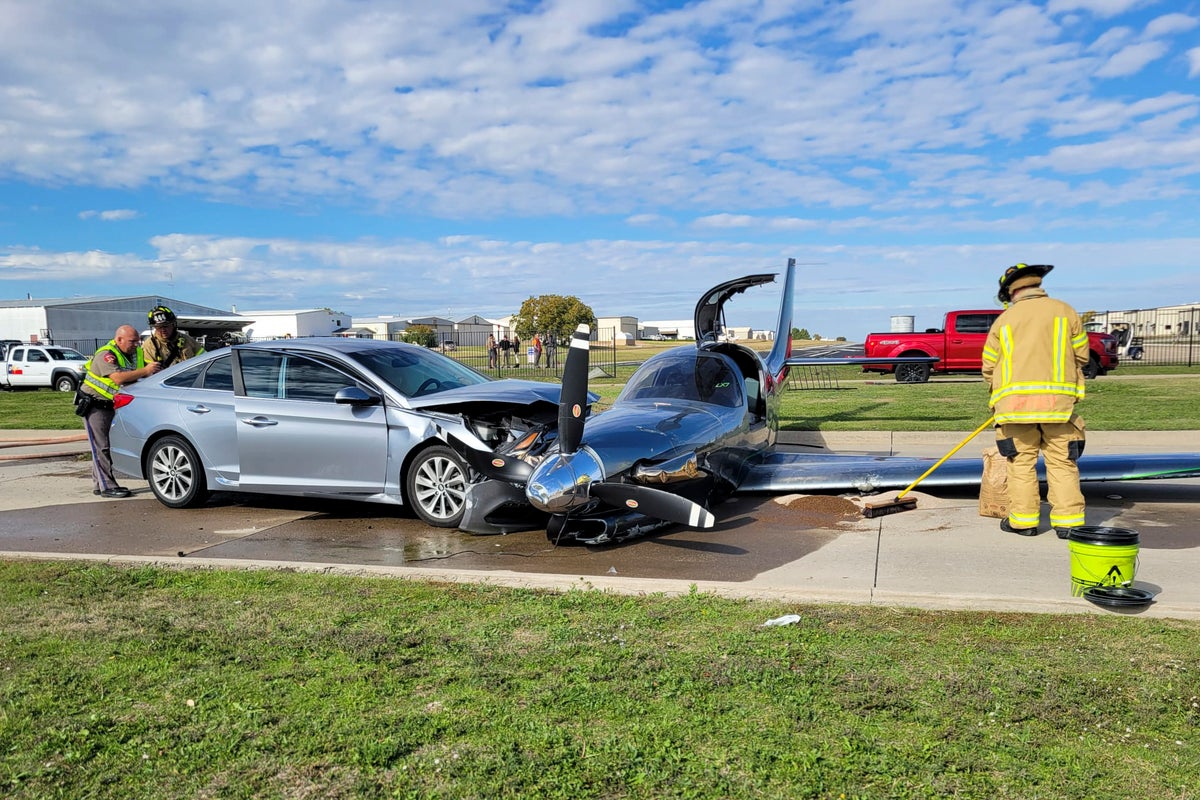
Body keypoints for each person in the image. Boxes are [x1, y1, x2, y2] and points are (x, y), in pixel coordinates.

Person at [982, 264, 1089, 538]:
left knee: (1020, 465)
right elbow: (1082, 357)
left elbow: (989, 367)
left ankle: (1024, 521)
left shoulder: (1004, 321)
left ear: (1009, 292)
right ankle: (1068, 523)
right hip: (1059, 407)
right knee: (1063, 464)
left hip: (1014, 409)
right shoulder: (1065, 312)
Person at [80, 325, 162, 498]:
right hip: (95, 405)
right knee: (101, 447)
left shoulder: (134, 354)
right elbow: (117, 378)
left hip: (112, 405)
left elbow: (136, 375)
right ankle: (107, 486)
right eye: (132, 341)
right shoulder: (106, 354)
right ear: (119, 340)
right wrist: (146, 371)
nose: (136, 345)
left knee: (104, 445)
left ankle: (99, 483)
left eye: (138, 341)